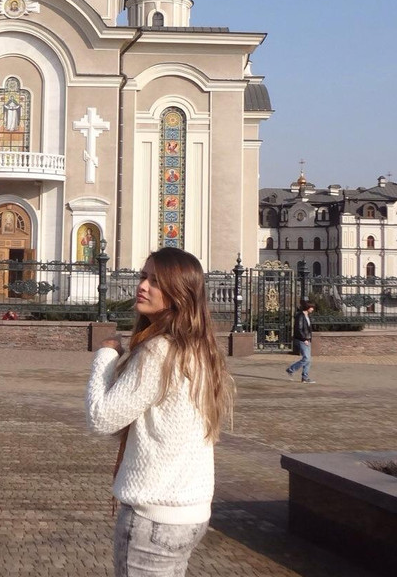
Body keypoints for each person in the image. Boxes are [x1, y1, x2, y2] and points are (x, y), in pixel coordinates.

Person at [86, 247, 232, 576]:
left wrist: (106, 357)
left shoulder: (159, 351)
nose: (143, 286)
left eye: (156, 281)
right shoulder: (200, 348)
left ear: (179, 293)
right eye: (143, 276)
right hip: (191, 513)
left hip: (154, 517)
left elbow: (101, 417)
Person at [286, 302, 316, 384]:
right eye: (312, 307)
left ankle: (304, 378)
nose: (313, 309)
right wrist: (304, 339)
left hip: (307, 339)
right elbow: (298, 329)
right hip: (302, 339)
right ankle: (291, 369)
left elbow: (308, 328)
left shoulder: (307, 316)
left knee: (308, 360)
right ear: (308, 307)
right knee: (306, 358)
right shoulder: (300, 316)